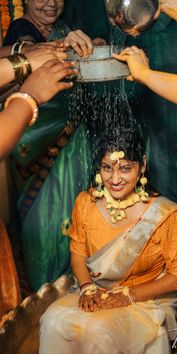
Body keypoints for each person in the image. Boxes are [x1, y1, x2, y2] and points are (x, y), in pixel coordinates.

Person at [39, 123, 177, 353]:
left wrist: (130, 296)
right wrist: (87, 287)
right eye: (107, 167)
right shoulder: (86, 202)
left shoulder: (164, 215)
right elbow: (78, 252)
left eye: (125, 168)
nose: (115, 178)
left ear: (142, 166)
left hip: (144, 299)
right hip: (96, 291)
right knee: (51, 320)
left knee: (99, 331)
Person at [2, 0, 96, 290]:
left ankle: (75, 284)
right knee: (45, 226)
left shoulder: (61, 30)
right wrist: (27, 92)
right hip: (37, 147)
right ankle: (46, 292)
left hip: (69, 146)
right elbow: (27, 50)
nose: (51, 3)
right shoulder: (22, 30)